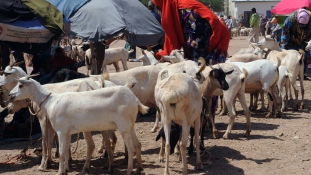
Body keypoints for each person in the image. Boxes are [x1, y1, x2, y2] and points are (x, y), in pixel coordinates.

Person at [152, 0, 230, 120]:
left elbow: (197, 45)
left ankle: (206, 119)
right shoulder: (177, 8)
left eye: (160, 8)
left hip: (215, 42)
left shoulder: (188, 12)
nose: (161, 11)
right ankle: (201, 119)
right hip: (203, 43)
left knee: (206, 79)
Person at [280, 8, 311, 79]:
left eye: (304, 25)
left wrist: (309, 42)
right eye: (300, 25)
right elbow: (284, 33)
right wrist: (284, 46)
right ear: (297, 19)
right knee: (291, 58)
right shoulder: (290, 20)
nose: (302, 27)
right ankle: (289, 74)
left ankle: (302, 74)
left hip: (304, 42)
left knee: (305, 57)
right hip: (291, 41)